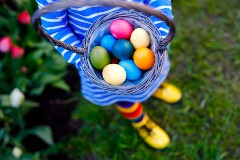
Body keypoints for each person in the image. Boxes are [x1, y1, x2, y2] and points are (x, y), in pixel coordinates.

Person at [35, 0, 182, 149]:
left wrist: (161, 38)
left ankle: (155, 87)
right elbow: (56, 27)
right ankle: (141, 122)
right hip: (96, 60)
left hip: (147, 43)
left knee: (150, 73)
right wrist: (83, 59)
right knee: (122, 94)